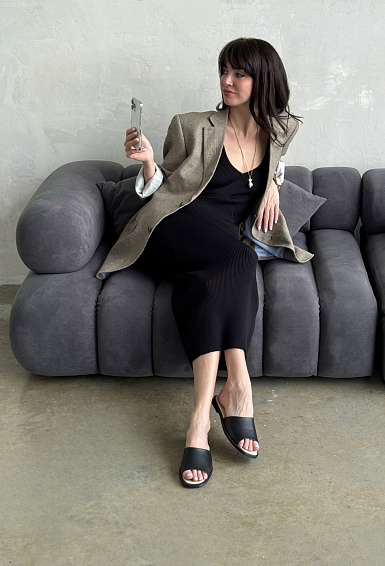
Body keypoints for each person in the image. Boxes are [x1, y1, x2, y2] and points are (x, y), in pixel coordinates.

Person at [123, 37, 302, 488]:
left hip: (219, 244)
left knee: (215, 278)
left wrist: (274, 184)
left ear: (263, 80)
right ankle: (238, 387)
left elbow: (275, 164)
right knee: (239, 256)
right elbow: (165, 190)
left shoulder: (280, 130)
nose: (227, 81)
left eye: (239, 74)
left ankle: (200, 419)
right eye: (224, 70)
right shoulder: (190, 125)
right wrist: (148, 163)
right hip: (174, 226)